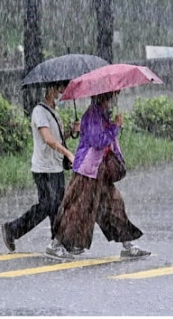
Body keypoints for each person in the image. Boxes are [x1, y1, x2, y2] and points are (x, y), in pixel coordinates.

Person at [50, 90, 150, 259]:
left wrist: (113, 126)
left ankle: (128, 245)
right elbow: (98, 141)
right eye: (113, 96)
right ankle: (55, 245)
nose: (115, 99)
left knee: (114, 206)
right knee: (77, 208)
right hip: (87, 172)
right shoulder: (93, 115)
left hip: (100, 172)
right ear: (105, 97)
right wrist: (115, 127)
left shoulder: (102, 114)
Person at [1, 80, 80, 259]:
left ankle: (59, 242)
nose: (61, 91)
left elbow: (57, 138)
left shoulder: (53, 112)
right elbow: (48, 139)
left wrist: (71, 131)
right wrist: (68, 154)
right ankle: (12, 229)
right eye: (59, 88)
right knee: (47, 205)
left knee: (58, 206)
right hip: (43, 168)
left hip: (56, 167)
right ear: (50, 88)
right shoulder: (39, 111)